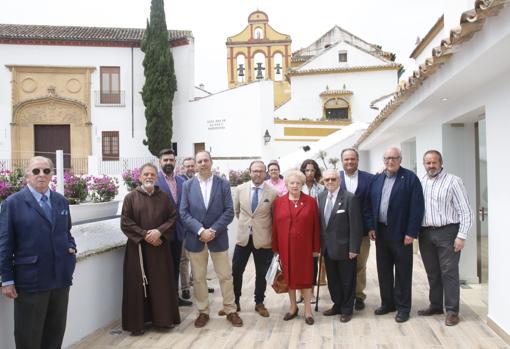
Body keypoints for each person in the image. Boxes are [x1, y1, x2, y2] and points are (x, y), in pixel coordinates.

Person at [0, 156, 77, 349]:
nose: (41, 175)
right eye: (36, 171)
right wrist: (7, 279)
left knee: (55, 334)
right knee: (29, 336)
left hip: (60, 278)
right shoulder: (13, 203)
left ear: (52, 174)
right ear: (27, 175)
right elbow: (5, 244)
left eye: (46, 171)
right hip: (31, 280)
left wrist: (71, 248)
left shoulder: (61, 201)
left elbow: (67, 232)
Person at [180, 151, 242, 328]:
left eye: (206, 160)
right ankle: (203, 312)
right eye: (199, 161)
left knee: (225, 276)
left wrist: (213, 230)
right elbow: (183, 213)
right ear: (195, 164)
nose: (203, 164)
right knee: (199, 278)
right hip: (195, 239)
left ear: (211, 162)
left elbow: (229, 211)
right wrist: (200, 230)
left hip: (218, 237)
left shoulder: (223, 184)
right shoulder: (187, 186)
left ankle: (231, 310)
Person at [121, 163, 180, 335]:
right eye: (146, 174)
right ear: (139, 177)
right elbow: (125, 222)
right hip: (137, 248)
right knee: (137, 286)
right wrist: (146, 234)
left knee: (161, 284)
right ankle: (137, 324)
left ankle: (163, 320)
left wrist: (159, 232)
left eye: (152, 175)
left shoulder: (163, 197)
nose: (149, 177)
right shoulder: (131, 197)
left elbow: (172, 218)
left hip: (159, 248)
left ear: (156, 177)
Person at [367, 147, 424, 323]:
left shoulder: (410, 179)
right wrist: (371, 227)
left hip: (401, 234)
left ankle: (403, 308)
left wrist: (411, 232)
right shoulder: (377, 179)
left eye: (394, 158)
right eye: (387, 158)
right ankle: (388, 303)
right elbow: (369, 205)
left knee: (403, 272)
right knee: (383, 270)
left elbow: (417, 208)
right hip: (381, 233)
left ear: (400, 159)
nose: (390, 161)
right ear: (383, 160)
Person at [418, 150, 473, 326]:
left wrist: (461, 236)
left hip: (448, 233)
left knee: (449, 273)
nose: (431, 166)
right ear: (424, 164)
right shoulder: (421, 182)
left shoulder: (453, 181)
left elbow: (465, 211)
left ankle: (451, 311)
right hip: (426, 233)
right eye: (428, 163)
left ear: (441, 163)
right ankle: (435, 305)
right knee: (432, 272)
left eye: (434, 162)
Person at [272, 170, 320, 325]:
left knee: (306, 277)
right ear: (286, 184)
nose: (294, 185)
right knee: (289, 277)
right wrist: (276, 248)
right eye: (291, 183)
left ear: (302, 184)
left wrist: (315, 248)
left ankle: (307, 310)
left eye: (298, 183)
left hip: (305, 248)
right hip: (286, 248)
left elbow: (316, 226)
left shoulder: (311, 202)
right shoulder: (278, 202)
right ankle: (293, 307)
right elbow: (275, 227)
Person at [231, 161, 278, 317]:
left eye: (260, 171)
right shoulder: (240, 189)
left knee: (261, 274)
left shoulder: (272, 193)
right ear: (250, 172)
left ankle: (259, 302)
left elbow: (274, 216)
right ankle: (235, 301)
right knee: (236, 271)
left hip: (263, 239)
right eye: (254, 171)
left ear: (265, 173)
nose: (257, 174)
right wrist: (248, 224)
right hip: (243, 238)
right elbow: (237, 211)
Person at [318, 169, 363, 323]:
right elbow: (322, 225)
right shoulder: (321, 197)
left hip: (345, 249)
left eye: (333, 179)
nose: (330, 182)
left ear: (339, 180)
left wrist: (354, 248)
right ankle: (337, 305)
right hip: (327, 249)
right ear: (323, 182)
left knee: (347, 280)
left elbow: (356, 226)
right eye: (326, 180)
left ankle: (347, 309)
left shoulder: (350, 198)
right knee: (333, 280)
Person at [155, 149, 192, 307]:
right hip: (161, 233)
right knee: (162, 268)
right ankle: (163, 301)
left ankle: (175, 298)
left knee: (176, 265)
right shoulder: (154, 181)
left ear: (175, 162)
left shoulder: (182, 182)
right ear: (160, 162)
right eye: (165, 160)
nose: (168, 163)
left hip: (178, 232)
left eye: (171, 160)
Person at [339, 148, 374, 310]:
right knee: (342, 265)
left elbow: (372, 205)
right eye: (346, 159)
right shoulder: (334, 178)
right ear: (342, 161)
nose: (350, 162)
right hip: (340, 232)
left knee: (360, 265)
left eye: (352, 159)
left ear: (358, 160)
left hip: (362, 231)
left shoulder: (369, 179)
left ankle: (359, 296)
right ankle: (344, 295)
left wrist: (371, 227)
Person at [177, 157, 214, 298]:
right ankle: (186, 287)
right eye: (187, 166)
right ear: (182, 168)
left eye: (192, 165)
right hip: (185, 227)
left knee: (200, 259)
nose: (190, 168)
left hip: (200, 229)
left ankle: (199, 282)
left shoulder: (201, 181)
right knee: (184, 259)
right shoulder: (181, 182)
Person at [300, 159, 324, 303]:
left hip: (316, 229)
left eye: (312, 170)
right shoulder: (297, 186)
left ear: (316, 172)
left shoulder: (321, 188)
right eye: (307, 170)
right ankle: (299, 292)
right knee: (298, 262)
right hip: (299, 231)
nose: (309, 173)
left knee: (313, 263)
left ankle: (312, 292)